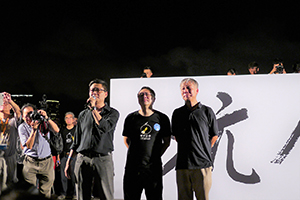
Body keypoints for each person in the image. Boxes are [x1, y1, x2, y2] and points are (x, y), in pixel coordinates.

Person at [64, 78, 119, 200]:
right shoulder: (83, 114)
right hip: (82, 158)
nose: (94, 92)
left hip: (103, 159)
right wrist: (69, 161)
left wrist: (94, 109)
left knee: (106, 194)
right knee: (82, 194)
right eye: (92, 90)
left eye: (98, 90)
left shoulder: (112, 113)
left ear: (105, 94)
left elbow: (104, 127)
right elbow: (77, 139)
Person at [172, 78, 219, 200]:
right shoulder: (177, 113)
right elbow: (176, 136)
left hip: (202, 165)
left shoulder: (206, 111)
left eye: (189, 88)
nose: (185, 91)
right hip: (182, 165)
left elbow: (214, 134)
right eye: (183, 88)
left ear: (197, 91)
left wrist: (204, 148)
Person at [122, 86, 171, 200]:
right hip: (133, 168)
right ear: (138, 99)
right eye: (141, 95)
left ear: (153, 98)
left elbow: (167, 142)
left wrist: (155, 155)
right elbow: (126, 139)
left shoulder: (162, 118)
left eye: (147, 94)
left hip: (153, 169)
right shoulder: (131, 118)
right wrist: (135, 154)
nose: (144, 97)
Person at [18, 103, 60, 198]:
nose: (29, 117)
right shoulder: (22, 127)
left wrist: (46, 118)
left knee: (45, 192)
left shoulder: (43, 122)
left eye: (31, 114)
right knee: (30, 192)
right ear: (23, 117)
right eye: (26, 116)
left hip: (46, 162)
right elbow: (29, 146)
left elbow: (56, 130)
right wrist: (34, 130)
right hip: (30, 162)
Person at [0, 92, 21, 194]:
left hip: (10, 156)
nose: (3, 104)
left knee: (11, 182)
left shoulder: (13, 121)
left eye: (5, 103)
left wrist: (10, 101)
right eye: (1, 102)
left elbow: (18, 111)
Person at [58, 112, 76, 200]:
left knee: (74, 175)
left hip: (74, 156)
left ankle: (75, 193)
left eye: (70, 118)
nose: (68, 119)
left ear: (73, 119)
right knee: (63, 176)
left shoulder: (77, 130)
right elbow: (59, 144)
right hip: (64, 155)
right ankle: (63, 193)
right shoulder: (62, 131)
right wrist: (58, 157)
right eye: (66, 118)